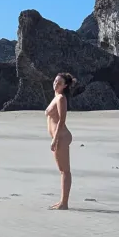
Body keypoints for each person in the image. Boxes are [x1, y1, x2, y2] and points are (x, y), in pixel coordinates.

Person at [46, 73, 75, 210]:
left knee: (65, 171)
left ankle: (64, 203)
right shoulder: (56, 97)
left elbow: (61, 121)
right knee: (62, 170)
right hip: (59, 137)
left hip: (61, 137)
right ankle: (62, 201)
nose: (56, 83)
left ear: (65, 86)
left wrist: (55, 139)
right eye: (55, 80)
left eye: (59, 82)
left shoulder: (61, 99)